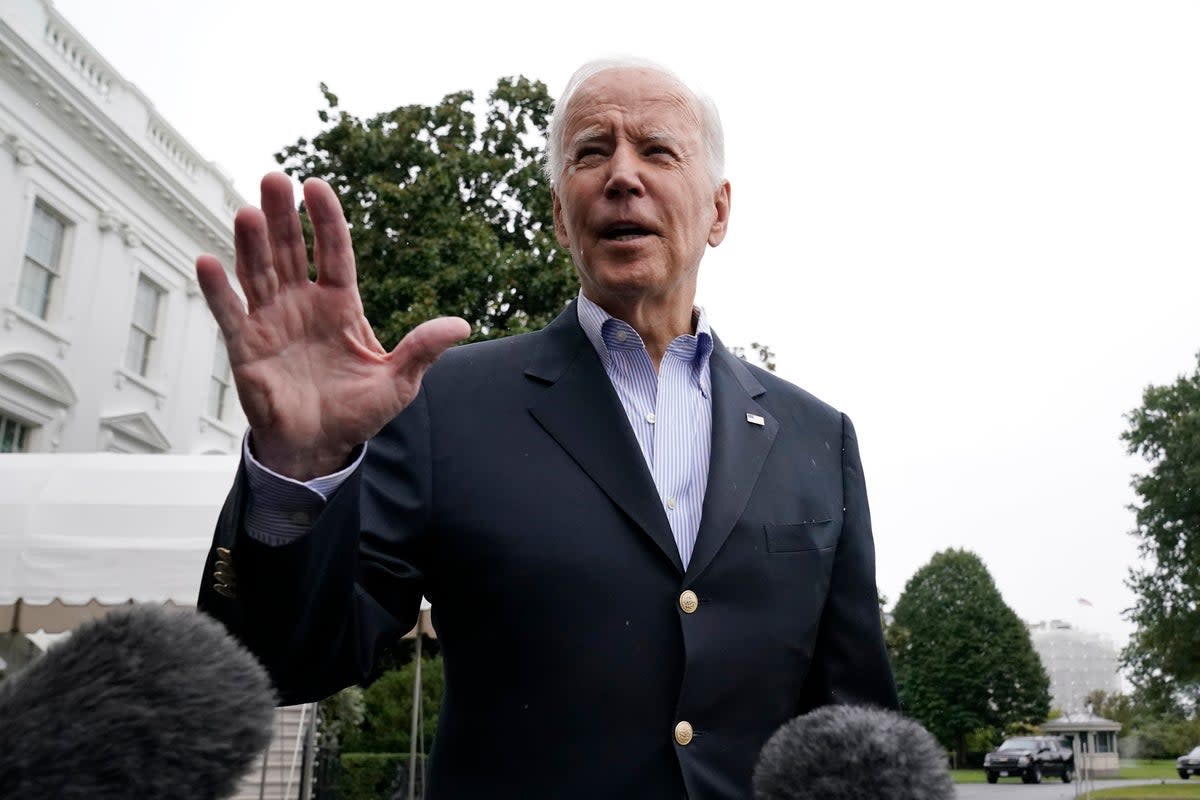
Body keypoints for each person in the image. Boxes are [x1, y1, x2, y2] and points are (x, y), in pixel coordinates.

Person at [196, 57, 899, 800]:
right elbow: (279, 661)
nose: (622, 175)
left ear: (719, 211)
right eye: (591, 153)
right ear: (562, 215)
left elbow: (857, 731)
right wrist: (299, 467)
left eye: (657, 150)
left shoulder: (817, 437)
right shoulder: (442, 402)